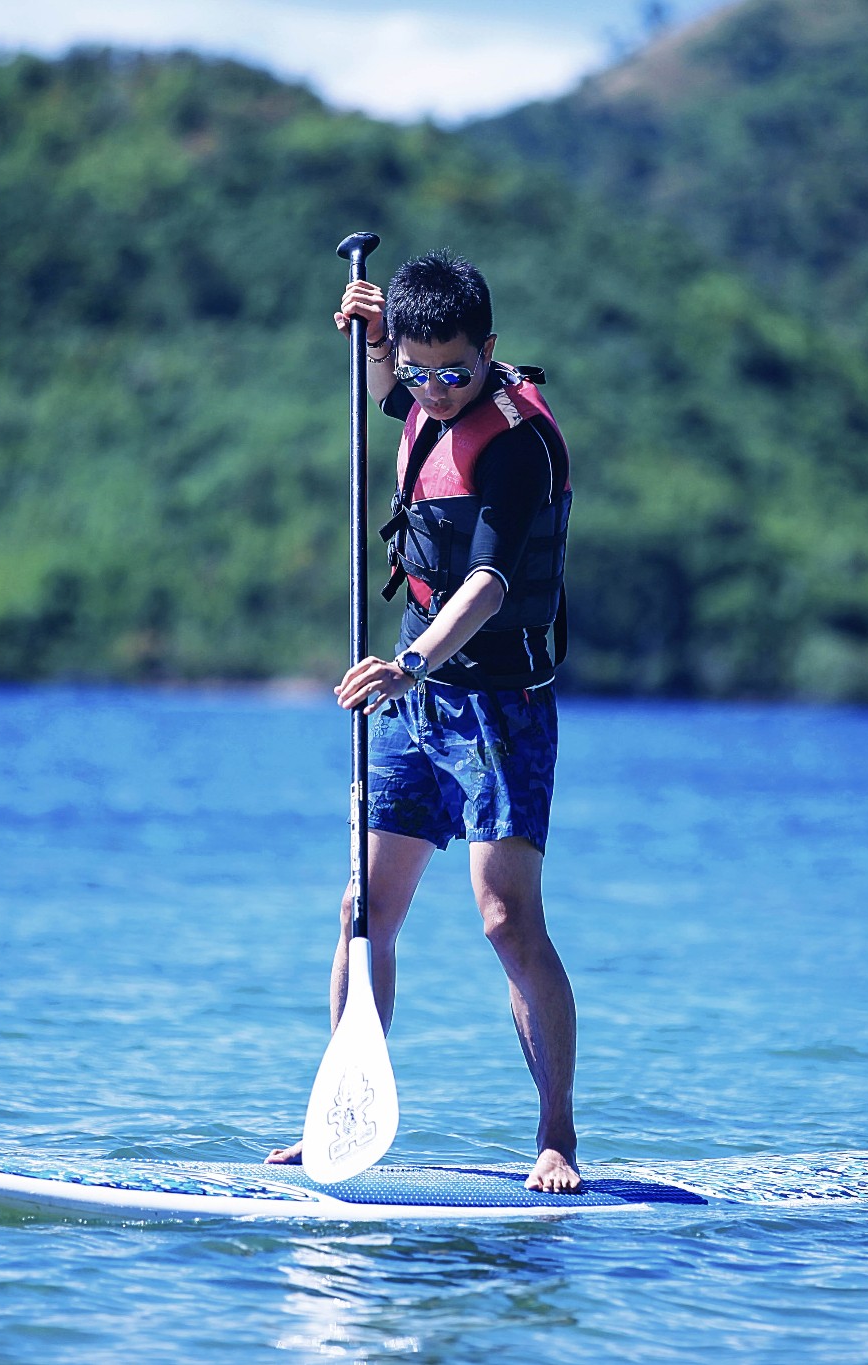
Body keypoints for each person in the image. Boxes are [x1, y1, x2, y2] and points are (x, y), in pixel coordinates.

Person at [267, 250, 581, 1192]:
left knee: (505, 920)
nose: (437, 392)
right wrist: (370, 344)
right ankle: (339, 1112)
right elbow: (389, 398)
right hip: (416, 697)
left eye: (457, 371)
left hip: (497, 705)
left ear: (489, 350)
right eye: (419, 371)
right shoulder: (418, 387)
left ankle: (557, 1132)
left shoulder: (518, 443)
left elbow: (486, 584)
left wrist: (405, 665)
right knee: (365, 909)